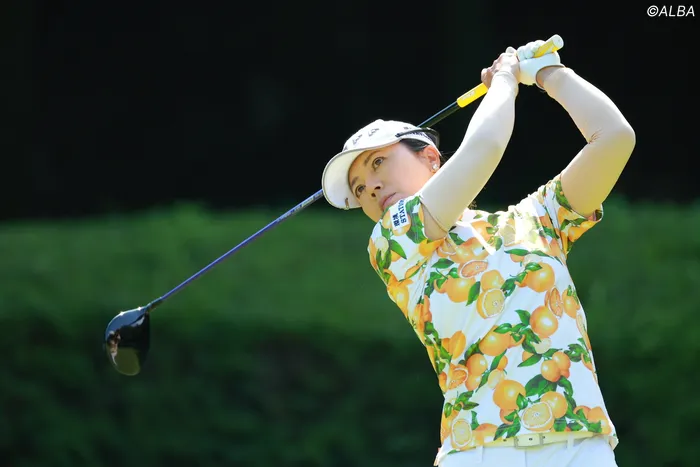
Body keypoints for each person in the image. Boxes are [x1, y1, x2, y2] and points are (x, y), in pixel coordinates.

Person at [321, 39, 635, 467]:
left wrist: (547, 73)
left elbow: (614, 139)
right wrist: (506, 78)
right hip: (477, 451)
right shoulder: (392, 242)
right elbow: (485, 147)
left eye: (378, 163)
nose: (370, 187)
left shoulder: (538, 219)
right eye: (358, 189)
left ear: (431, 158)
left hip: (580, 445)